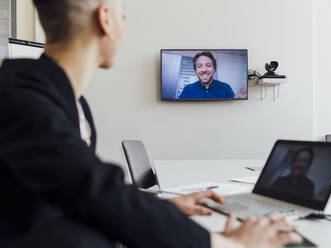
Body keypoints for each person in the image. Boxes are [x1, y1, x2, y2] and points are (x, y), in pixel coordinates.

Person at [0, 0, 302, 247]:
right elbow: (93, 189)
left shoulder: (69, 100)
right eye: (124, 16)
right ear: (105, 18)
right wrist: (231, 245)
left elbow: (79, 198)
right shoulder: (18, 98)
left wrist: (165, 208)